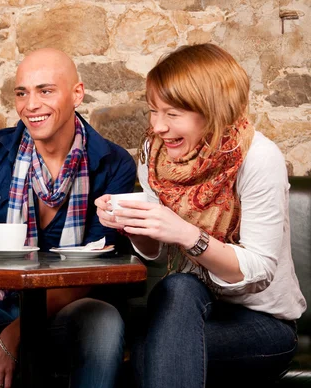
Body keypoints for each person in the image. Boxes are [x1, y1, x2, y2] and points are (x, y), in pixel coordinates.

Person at [0, 48, 136, 388]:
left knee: (103, 321)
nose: (30, 105)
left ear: (77, 93)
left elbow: (94, 271)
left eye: (45, 90)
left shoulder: (114, 163)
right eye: (22, 92)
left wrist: (12, 339)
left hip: (69, 308)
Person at [95, 43, 306, 388]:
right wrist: (133, 224)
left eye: (172, 114)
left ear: (211, 110)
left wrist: (187, 235)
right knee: (178, 285)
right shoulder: (155, 155)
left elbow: (259, 270)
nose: (159, 127)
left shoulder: (258, 158)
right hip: (188, 307)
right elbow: (158, 252)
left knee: (150, 351)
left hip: (264, 324)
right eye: (153, 111)